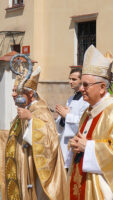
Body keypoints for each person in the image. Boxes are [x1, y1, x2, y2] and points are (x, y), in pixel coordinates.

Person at [67, 45, 113, 199]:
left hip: (101, 189)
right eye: (81, 84)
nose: (81, 88)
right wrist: (75, 144)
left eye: (86, 84)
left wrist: (87, 147)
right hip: (82, 184)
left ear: (102, 88)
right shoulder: (89, 112)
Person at [3, 66, 67, 199]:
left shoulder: (41, 112)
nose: (13, 94)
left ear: (30, 94)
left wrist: (31, 119)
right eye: (13, 90)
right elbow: (16, 136)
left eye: (18, 92)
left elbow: (51, 142)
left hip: (35, 175)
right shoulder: (25, 110)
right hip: (22, 170)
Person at [56, 68, 89, 169]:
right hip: (65, 144)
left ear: (81, 80)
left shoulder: (86, 100)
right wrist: (62, 117)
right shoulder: (70, 99)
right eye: (70, 79)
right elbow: (62, 125)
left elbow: (84, 123)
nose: (70, 82)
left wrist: (66, 116)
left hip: (77, 145)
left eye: (74, 79)